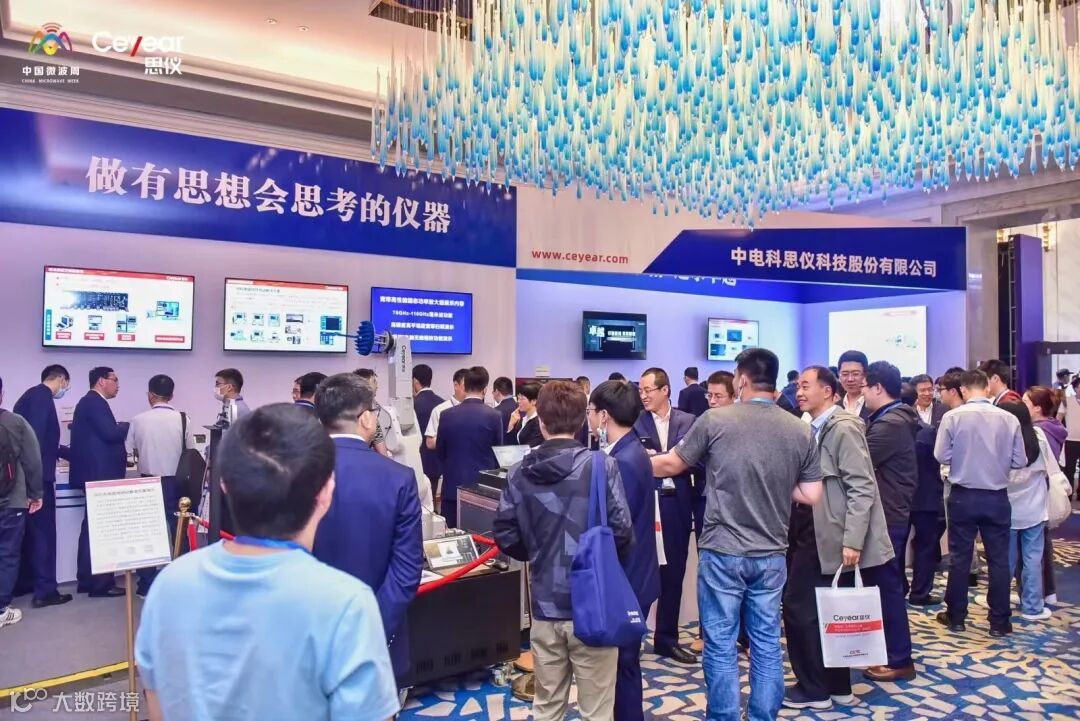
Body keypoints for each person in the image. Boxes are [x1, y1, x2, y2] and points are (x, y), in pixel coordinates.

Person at [135, 404, 400, 721]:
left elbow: (158, 707)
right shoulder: (345, 603)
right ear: (327, 490)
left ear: (224, 485)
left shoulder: (169, 585)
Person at [651, 348, 823, 721]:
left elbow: (672, 464)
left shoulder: (716, 420)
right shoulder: (800, 428)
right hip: (772, 553)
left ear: (741, 380)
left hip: (722, 551)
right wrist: (776, 484)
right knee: (766, 644)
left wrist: (627, 462)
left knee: (720, 645)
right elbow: (812, 494)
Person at [493, 380, 634, 721]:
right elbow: (622, 531)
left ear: (540, 421)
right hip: (594, 605)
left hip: (544, 603)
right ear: (582, 420)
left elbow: (505, 534)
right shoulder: (601, 466)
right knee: (597, 711)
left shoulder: (518, 472)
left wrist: (539, 551)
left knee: (547, 706)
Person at [783, 366, 896, 710]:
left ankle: (815, 689)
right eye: (798, 387)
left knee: (801, 609)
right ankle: (837, 687)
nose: (799, 393)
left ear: (829, 392)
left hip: (831, 537)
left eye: (806, 386)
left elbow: (862, 487)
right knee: (827, 612)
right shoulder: (811, 427)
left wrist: (853, 541)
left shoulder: (843, 428)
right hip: (814, 531)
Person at [313, 374, 424, 677]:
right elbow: (406, 569)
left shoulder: (293, 472)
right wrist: (372, 627)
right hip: (377, 638)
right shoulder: (398, 477)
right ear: (365, 419)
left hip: (310, 634)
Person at [934, 370, 1027, 637]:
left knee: (960, 558)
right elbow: (1019, 460)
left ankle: (956, 617)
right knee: (998, 560)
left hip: (963, 495)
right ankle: (999, 622)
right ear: (987, 388)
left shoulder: (953, 417)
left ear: (963, 390)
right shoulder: (1009, 418)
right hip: (997, 497)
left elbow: (941, 455)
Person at [588, 380, 659, 721]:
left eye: (590, 411)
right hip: (634, 575)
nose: (589, 419)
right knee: (624, 665)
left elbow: (620, 528)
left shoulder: (623, 460)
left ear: (604, 415)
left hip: (628, 579)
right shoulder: (630, 450)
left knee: (623, 665)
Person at [855, 361, 919, 681]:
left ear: (878, 388)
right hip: (889, 513)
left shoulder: (890, 424)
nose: (862, 394)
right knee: (883, 586)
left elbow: (856, 462)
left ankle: (898, 659)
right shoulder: (892, 418)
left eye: (864, 388)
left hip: (887, 516)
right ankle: (889, 653)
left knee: (886, 587)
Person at [634, 367, 697, 665]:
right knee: (643, 575)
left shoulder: (689, 421)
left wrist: (656, 460)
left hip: (678, 506)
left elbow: (692, 461)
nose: (643, 396)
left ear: (665, 390)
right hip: (646, 504)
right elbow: (635, 461)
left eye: (648, 390)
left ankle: (666, 639)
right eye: (641, 390)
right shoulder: (636, 422)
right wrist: (670, 460)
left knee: (674, 575)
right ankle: (633, 639)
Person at [126, 374, 195, 597]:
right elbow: (192, 452)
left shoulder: (138, 420)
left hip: (147, 481)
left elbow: (129, 451)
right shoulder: (183, 419)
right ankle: (182, 581)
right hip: (176, 483)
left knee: (147, 534)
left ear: (150, 395)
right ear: (172, 395)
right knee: (179, 531)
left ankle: (146, 584)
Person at [12, 365, 72, 608]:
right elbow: (34, 442)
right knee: (44, 535)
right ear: (61, 379)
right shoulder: (42, 397)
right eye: (67, 384)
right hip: (38, 481)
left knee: (30, 535)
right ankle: (45, 591)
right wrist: (36, 486)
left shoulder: (29, 397)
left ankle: (27, 584)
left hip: (26, 479)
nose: (65, 389)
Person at [69, 367, 129, 597]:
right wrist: (126, 425)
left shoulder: (89, 402)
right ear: (102, 381)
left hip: (95, 476)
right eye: (115, 379)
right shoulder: (94, 402)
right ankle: (100, 584)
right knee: (103, 530)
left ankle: (88, 579)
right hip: (101, 477)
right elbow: (110, 434)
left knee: (91, 528)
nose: (118, 385)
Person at [999, 402, 1053, 621]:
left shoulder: (1000, 441)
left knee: (1005, 561)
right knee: (1033, 559)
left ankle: (1000, 603)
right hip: (1034, 508)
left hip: (1007, 510)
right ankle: (1032, 606)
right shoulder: (1039, 437)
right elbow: (1049, 468)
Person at [0, 375, 44, 630]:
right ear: (2, 395)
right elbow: (33, 460)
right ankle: (1, 610)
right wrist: (36, 493)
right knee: (7, 554)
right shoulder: (15, 422)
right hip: (12, 500)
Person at [435, 367, 502, 528]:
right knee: (481, 534)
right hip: (483, 491)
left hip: (452, 485)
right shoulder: (494, 416)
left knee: (451, 535)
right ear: (485, 389)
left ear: (464, 387)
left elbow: (440, 450)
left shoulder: (446, 415)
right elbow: (498, 453)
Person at [906, 377, 948, 607]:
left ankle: (911, 590)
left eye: (930, 389)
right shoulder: (926, 431)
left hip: (910, 494)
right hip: (923, 493)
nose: (927, 393)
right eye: (922, 390)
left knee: (920, 545)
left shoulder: (943, 412)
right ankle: (918, 592)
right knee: (924, 545)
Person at [1024, 385, 1066, 603]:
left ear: (1037, 408)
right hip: (1043, 492)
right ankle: (1048, 592)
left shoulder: (1040, 432)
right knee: (1042, 545)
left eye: (1025, 402)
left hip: (1038, 493)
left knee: (1034, 548)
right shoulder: (1054, 427)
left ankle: (1038, 594)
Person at [412, 364, 444, 502]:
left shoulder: (412, 405)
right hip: (436, 461)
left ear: (415, 381)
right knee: (432, 500)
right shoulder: (442, 403)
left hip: (416, 460)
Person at [837, 350, 871, 421]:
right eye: (845, 374)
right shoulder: (835, 407)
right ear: (839, 375)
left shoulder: (872, 404)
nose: (850, 379)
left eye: (855, 374)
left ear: (865, 374)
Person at [509, 382, 544, 448]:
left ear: (534, 401)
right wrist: (511, 425)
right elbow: (514, 443)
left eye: (522, 399)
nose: (518, 401)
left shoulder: (538, 422)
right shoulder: (523, 419)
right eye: (518, 398)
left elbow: (531, 446)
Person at [1062, 375, 1080, 492]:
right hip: (1071, 440)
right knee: (1070, 469)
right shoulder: (1067, 401)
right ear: (1075, 388)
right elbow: (1058, 419)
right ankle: (1068, 494)